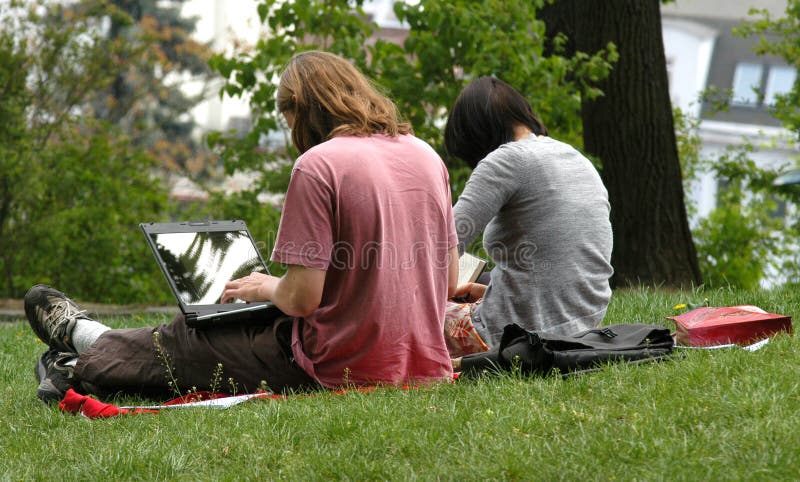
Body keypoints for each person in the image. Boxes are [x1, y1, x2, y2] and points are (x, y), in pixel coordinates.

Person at [26, 50, 458, 403]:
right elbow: (450, 277)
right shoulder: (426, 155)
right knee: (244, 325)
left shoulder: (318, 165)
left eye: (288, 119)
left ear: (300, 110)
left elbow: (304, 298)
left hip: (341, 366)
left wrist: (268, 288)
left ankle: (79, 342)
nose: (291, 133)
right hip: (422, 364)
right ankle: (90, 338)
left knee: (189, 341)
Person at [443, 76, 613, 357]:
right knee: (482, 283)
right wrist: (490, 295)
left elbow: (443, 243)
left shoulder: (506, 160)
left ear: (475, 134)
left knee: (405, 315)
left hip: (520, 335)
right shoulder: (573, 156)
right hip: (584, 324)